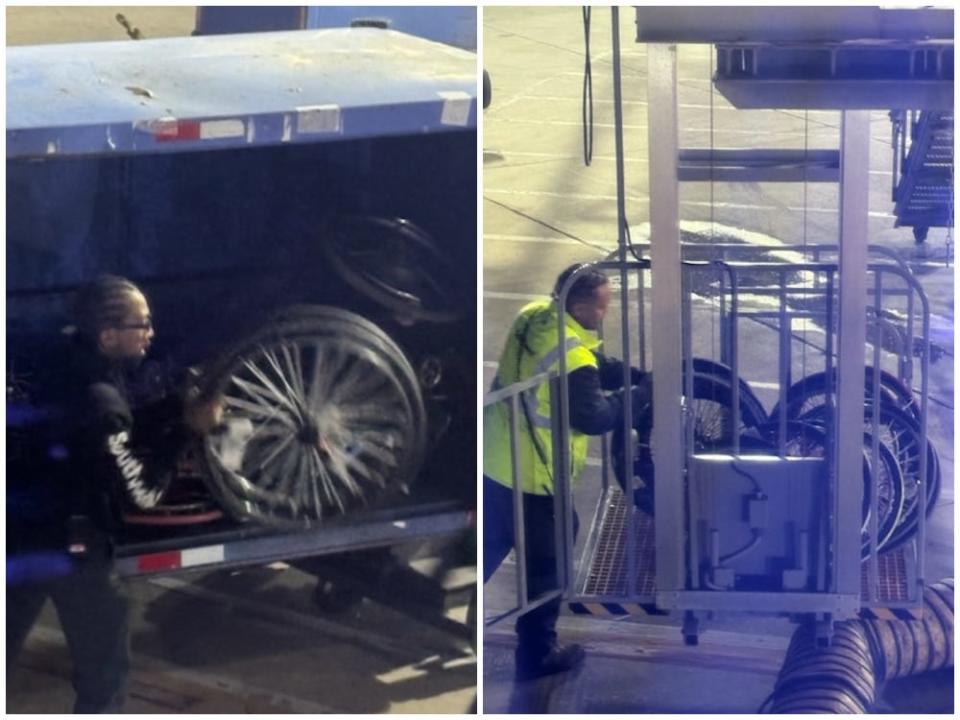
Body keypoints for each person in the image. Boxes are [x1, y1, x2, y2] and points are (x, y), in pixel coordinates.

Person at [6, 275, 223, 713]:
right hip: (74, 550)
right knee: (104, 678)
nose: (151, 333)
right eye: (141, 325)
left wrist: (163, 412)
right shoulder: (103, 404)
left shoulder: (61, 360)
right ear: (108, 336)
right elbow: (141, 492)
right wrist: (186, 429)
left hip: (18, 534)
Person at [483, 263, 651, 681]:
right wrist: (636, 397)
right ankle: (537, 656)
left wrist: (635, 376)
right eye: (601, 307)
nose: (605, 314)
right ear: (578, 305)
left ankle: (449, 616)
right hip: (535, 476)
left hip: (495, 463)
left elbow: (592, 364)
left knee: (490, 545)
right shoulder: (572, 356)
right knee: (549, 567)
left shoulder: (536, 315)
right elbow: (593, 415)